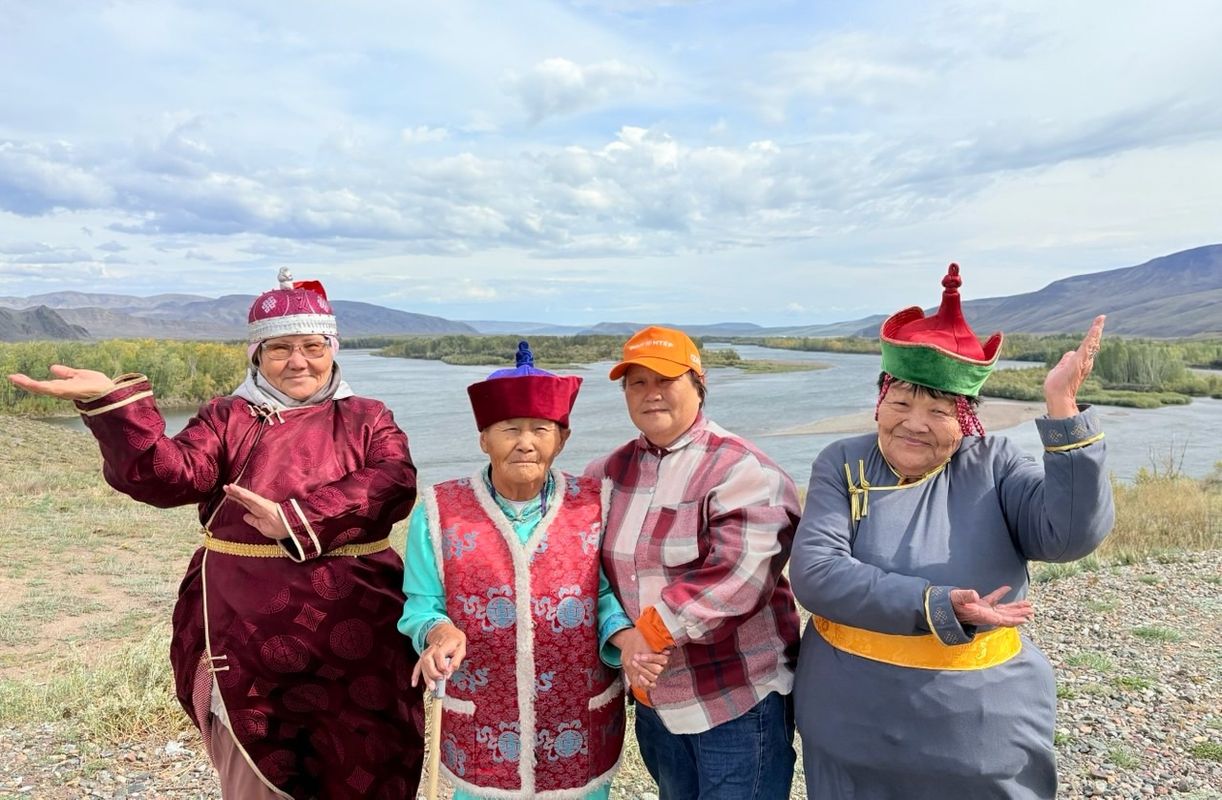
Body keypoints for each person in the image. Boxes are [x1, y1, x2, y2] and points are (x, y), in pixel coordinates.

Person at [7, 269, 424, 799]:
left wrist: (296, 518)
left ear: (332, 349)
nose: (298, 361)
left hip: (360, 628)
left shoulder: (368, 416)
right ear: (257, 356)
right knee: (258, 770)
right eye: (280, 349)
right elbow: (170, 476)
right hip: (244, 628)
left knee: (367, 760)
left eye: (312, 347)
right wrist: (113, 406)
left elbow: (394, 480)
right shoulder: (228, 418)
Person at [790, 263, 1114, 799]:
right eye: (900, 403)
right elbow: (817, 574)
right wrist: (937, 604)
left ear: (964, 417)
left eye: (938, 410)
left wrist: (1062, 407)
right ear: (879, 403)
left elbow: (1069, 536)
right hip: (851, 719)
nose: (914, 423)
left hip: (979, 726)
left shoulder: (996, 464)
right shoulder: (844, 463)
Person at [397, 341, 662, 800]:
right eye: (509, 430)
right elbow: (422, 604)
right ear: (484, 439)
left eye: (540, 429)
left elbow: (606, 595)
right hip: (481, 726)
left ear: (562, 438)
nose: (525, 442)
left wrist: (625, 638)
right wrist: (438, 633)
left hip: (576, 723)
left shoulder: (594, 504)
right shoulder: (439, 511)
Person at [586, 325, 801, 800]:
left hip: (735, 701)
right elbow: (586, 571)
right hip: (655, 703)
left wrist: (650, 633)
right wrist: (622, 637)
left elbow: (739, 578)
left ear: (699, 385)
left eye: (666, 380)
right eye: (637, 383)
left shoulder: (743, 470)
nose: (651, 393)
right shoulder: (605, 474)